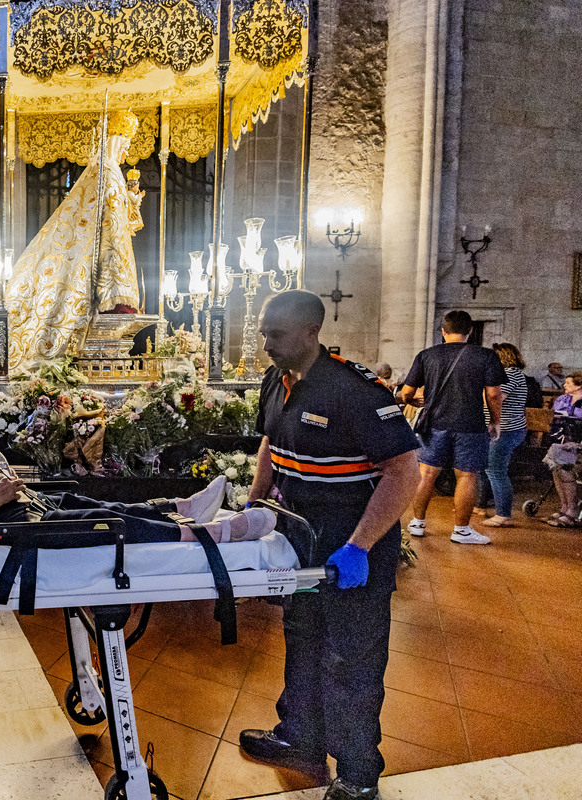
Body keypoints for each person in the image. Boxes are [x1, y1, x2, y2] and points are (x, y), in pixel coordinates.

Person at [238, 291, 420, 800]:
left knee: (352, 660)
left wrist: (359, 546)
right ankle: (300, 738)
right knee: (303, 640)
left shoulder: (356, 391)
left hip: (352, 548)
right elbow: (270, 443)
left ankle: (359, 775)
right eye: (264, 332)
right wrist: (255, 503)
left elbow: (405, 471)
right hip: (301, 541)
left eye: (276, 333)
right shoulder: (277, 381)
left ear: (311, 332)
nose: (266, 343)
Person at [0, 377, 277, 552]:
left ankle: (181, 507)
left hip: (8, 504)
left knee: (84, 501)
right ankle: (210, 533)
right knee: (98, 522)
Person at [0, 109, 144, 378]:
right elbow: (112, 231)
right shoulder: (109, 172)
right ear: (116, 140)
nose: (126, 151)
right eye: (125, 144)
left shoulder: (101, 172)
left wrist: (129, 203)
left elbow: (107, 221)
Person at [400, 310, 504, 544]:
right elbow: (494, 394)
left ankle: (417, 523)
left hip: (434, 422)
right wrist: (495, 421)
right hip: (470, 424)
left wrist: (412, 401)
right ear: (470, 331)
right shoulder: (486, 356)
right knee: (466, 476)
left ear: (443, 331)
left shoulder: (427, 355)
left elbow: (406, 392)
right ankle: (461, 530)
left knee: (426, 474)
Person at [473, 343, 528, 527]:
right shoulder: (509, 374)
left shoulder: (511, 374)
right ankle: (484, 506)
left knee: (497, 471)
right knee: (489, 468)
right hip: (502, 428)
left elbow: (496, 396)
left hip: (506, 429)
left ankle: (503, 514)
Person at [543, 372, 582, 528]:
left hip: (579, 446)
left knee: (565, 469)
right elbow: (553, 419)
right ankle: (564, 506)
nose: (564, 385)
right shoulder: (561, 400)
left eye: (568, 383)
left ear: (579, 385)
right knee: (556, 468)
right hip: (563, 442)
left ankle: (572, 510)